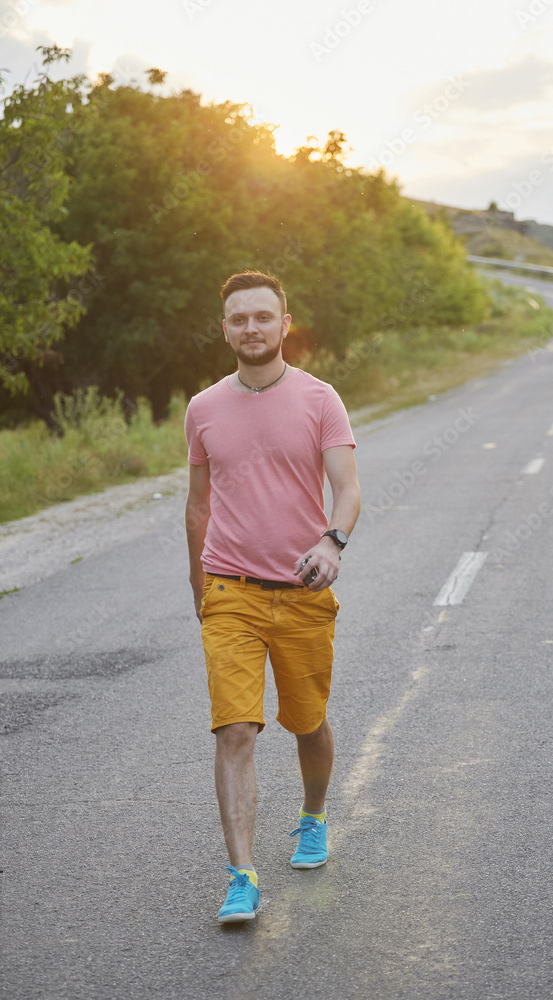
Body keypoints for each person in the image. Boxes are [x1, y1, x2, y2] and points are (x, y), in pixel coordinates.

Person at [184, 270, 361, 923]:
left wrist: (331, 542)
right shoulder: (202, 407)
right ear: (224, 327)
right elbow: (198, 504)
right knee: (233, 728)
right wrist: (199, 586)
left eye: (263, 316)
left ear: (284, 323)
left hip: (301, 589)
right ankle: (242, 874)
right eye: (238, 319)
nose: (251, 328)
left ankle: (312, 816)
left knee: (306, 721)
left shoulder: (319, 399)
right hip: (229, 588)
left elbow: (346, 487)